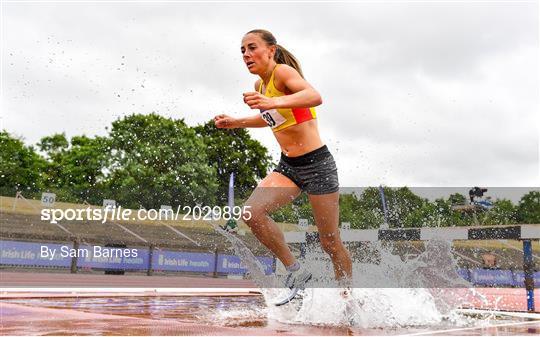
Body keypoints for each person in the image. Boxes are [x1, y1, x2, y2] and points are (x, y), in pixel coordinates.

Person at [214, 29, 352, 301]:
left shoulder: (283, 74)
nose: (246, 54)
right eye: (242, 50)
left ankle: (348, 300)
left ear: (271, 50)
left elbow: (314, 96)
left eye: (252, 47)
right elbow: (272, 118)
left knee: (330, 242)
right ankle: (296, 271)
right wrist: (236, 121)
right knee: (252, 212)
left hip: (317, 166)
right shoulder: (260, 87)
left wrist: (272, 101)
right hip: (288, 166)